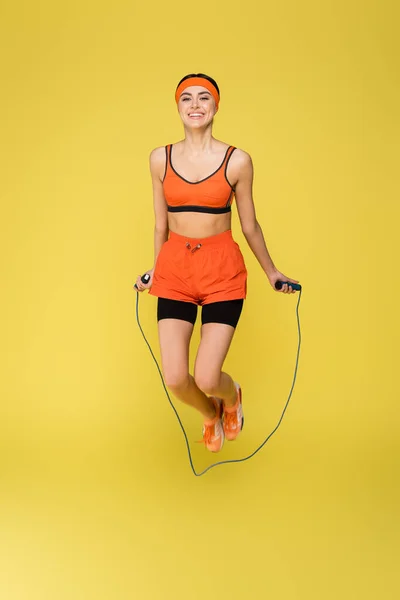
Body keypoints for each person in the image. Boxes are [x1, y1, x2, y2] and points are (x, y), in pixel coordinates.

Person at [135, 73, 299, 453]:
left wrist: (272, 272)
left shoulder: (237, 161)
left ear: (216, 106)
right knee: (176, 378)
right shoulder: (159, 158)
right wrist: (155, 271)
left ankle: (232, 396)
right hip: (175, 268)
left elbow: (249, 225)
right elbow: (161, 224)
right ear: (177, 106)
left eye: (203, 98)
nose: (195, 105)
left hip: (221, 270)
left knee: (208, 376)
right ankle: (211, 415)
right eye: (187, 99)